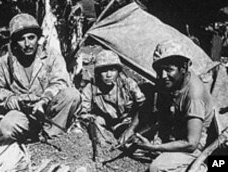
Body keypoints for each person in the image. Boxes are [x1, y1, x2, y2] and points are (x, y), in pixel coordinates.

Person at [0, 13, 81, 141]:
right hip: (22, 112)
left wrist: (44, 100)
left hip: (47, 109)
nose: (27, 44)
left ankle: (50, 134)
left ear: (38, 38)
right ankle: (29, 134)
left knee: (72, 94)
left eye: (31, 37)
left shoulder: (51, 56)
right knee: (7, 128)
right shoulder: (5, 62)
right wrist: (9, 98)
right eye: (22, 39)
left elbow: (60, 82)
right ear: (15, 42)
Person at [132, 40, 214, 172]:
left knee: (156, 168)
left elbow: (191, 143)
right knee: (134, 145)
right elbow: (149, 102)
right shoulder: (170, 80)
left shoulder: (194, 96)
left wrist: (155, 148)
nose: (163, 75)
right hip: (174, 128)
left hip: (194, 142)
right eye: (160, 70)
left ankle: (202, 167)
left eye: (169, 69)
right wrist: (131, 129)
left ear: (184, 68)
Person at [80, 49, 146, 144]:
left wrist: (131, 126)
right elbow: (83, 112)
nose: (108, 75)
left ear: (118, 71)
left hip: (128, 121)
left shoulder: (128, 84)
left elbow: (143, 106)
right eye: (104, 71)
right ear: (98, 73)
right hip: (106, 122)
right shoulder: (91, 87)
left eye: (112, 70)